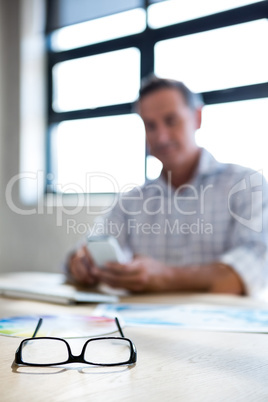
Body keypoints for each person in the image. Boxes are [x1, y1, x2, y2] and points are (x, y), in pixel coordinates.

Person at [67, 76, 268, 296]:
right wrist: (81, 263)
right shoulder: (132, 201)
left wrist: (166, 277)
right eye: (150, 125)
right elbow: (82, 251)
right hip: (141, 326)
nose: (161, 137)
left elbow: (254, 268)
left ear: (197, 118)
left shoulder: (246, 186)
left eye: (171, 120)